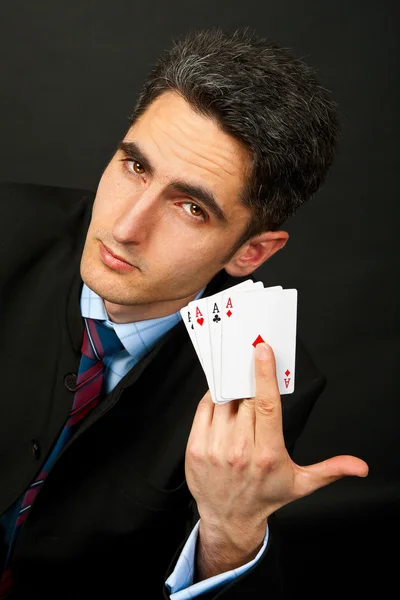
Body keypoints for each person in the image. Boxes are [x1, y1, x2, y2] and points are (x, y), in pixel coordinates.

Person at [0, 28, 368, 599]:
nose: (126, 228)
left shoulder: (262, 388)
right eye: (135, 168)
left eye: (191, 207)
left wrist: (231, 533)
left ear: (252, 252)